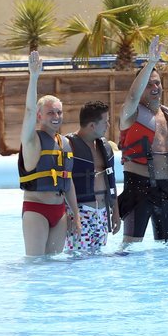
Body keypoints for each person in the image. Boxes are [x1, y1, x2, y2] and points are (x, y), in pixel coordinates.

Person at [117, 36, 168, 242]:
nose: (155, 87)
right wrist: (150, 63)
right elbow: (131, 97)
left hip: (167, 189)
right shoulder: (131, 115)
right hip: (138, 188)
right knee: (130, 248)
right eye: (149, 84)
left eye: (157, 83)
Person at [18, 50, 81, 256]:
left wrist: (76, 216)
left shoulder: (65, 143)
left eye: (59, 112)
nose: (56, 116)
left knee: (54, 267)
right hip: (36, 209)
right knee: (36, 266)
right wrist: (33, 76)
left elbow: (68, 181)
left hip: (59, 211)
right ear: (39, 116)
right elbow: (27, 110)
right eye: (50, 112)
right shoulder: (32, 141)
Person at [65, 100, 120, 253]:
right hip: (80, 214)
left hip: (102, 214)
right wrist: (70, 216)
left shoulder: (105, 146)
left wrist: (115, 212)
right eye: (105, 122)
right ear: (92, 126)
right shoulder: (69, 146)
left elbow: (112, 181)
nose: (108, 126)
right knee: (78, 260)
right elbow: (62, 184)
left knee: (98, 263)